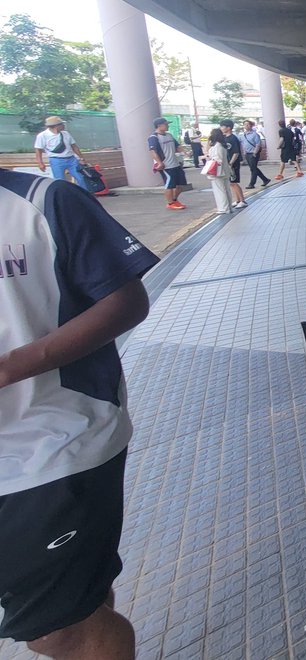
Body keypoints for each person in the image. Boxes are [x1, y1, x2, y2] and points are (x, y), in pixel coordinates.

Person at [0, 166, 158, 660]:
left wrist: (11, 367)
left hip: (53, 444)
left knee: (60, 631)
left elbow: (125, 301)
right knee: (77, 603)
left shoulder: (46, 201)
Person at [34, 115, 87, 187]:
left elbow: (74, 147)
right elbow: (38, 150)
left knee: (81, 178)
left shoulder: (66, 134)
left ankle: (84, 195)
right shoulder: (42, 135)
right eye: (62, 124)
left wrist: (81, 158)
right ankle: (63, 197)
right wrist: (40, 163)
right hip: (56, 160)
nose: (64, 125)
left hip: (71, 159)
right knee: (60, 181)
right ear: (56, 126)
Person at [147, 118, 186, 210]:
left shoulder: (169, 135)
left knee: (180, 185)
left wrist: (185, 152)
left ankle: (174, 200)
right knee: (169, 185)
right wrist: (160, 163)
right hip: (166, 165)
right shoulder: (153, 137)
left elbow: (177, 146)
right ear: (159, 125)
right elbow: (153, 151)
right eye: (166, 124)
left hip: (175, 163)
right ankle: (170, 203)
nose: (168, 125)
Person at [204, 126, 234, 213]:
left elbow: (218, 159)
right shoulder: (222, 145)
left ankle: (223, 208)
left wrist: (209, 157)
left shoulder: (217, 146)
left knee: (219, 190)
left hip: (218, 172)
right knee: (226, 189)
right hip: (224, 171)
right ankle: (228, 206)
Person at [218, 120, 247, 209]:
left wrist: (231, 163)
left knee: (234, 182)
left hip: (233, 164)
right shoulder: (224, 138)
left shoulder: (233, 138)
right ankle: (238, 200)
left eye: (223, 126)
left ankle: (242, 200)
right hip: (227, 164)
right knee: (231, 183)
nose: (221, 128)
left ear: (228, 128)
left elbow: (236, 152)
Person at [240, 120, 270, 189]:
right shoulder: (243, 135)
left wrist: (255, 153)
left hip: (253, 153)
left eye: (248, 124)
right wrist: (244, 152)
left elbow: (258, 144)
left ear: (251, 125)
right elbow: (243, 144)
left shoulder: (255, 134)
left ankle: (252, 183)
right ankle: (265, 179)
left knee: (253, 169)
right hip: (247, 153)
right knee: (253, 168)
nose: (246, 126)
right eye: (245, 125)